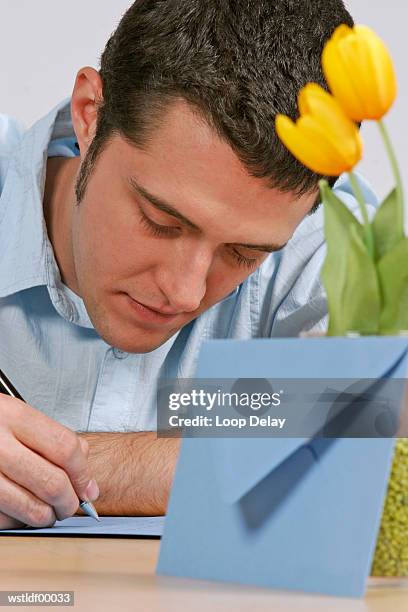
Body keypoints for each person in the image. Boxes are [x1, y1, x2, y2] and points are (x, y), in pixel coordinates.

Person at [0, 0, 377, 529]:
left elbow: (374, 440)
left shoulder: (338, 243)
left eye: (244, 254)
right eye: (161, 221)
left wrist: (54, 465)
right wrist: (241, 440)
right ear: (90, 113)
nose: (182, 292)